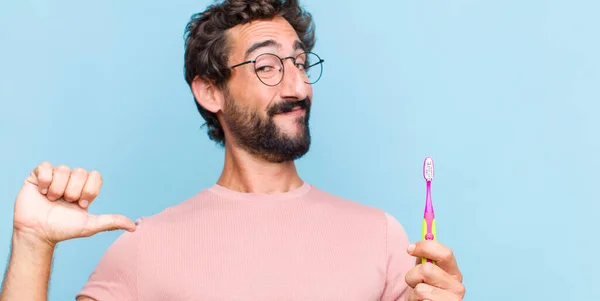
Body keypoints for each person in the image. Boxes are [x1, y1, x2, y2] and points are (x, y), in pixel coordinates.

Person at [0, 0, 465, 300]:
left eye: (301, 62)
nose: (298, 85)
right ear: (210, 92)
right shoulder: (145, 248)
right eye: (267, 65)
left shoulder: (382, 238)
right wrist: (33, 244)